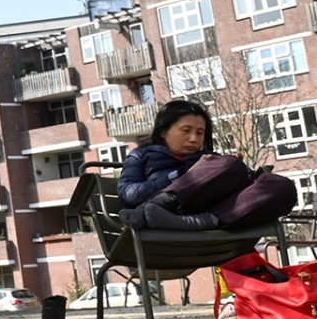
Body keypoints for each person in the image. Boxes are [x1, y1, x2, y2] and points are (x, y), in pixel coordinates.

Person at [116, 99, 295, 232]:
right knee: (230, 164)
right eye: (186, 131)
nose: (194, 138)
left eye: (200, 133)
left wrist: (244, 173)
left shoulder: (210, 158)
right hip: (156, 220)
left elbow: (247, 192)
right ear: (163, 131)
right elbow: (128, 194)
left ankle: (201, 221)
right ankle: (161, 206)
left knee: (283, 186)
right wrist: (184, 174)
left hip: (209, 218)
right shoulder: (142, 154)